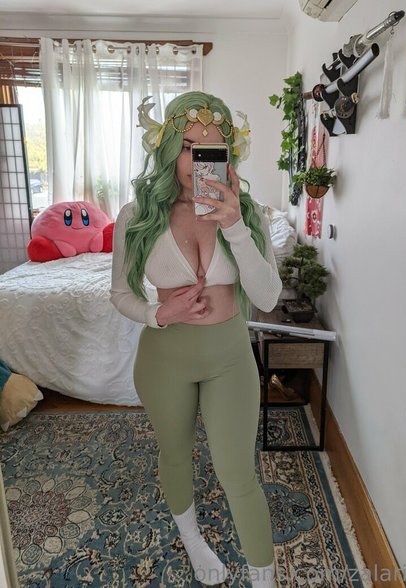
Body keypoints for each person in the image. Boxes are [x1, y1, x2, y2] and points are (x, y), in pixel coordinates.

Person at [110, 91, 282, 587]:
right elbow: (120, 293)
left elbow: (267, 297)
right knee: (175, 452)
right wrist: (159, 312)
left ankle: (265, 580)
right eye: (188, 146)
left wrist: (236, 227)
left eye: (211, 148)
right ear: (168, 147)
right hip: (164, 358)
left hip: (229, 356)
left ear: (228, 154)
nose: (196, 160)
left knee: (238, 474)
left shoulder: (248, 214)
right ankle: (192, 540)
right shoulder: (136, 215)